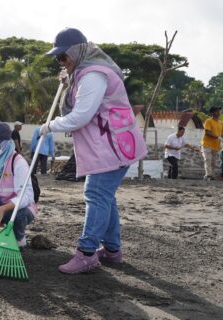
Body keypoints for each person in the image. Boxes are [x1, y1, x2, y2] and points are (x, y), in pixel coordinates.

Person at [43, 28, 147, 274]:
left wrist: (49, 126)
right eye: (58, 58)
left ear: (77, 52)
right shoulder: (82, 73)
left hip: (111, 149)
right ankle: (112, 251)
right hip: (109, 147)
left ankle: (87, 253)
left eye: (63, 56)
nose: (61, 62)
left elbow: (80, 116)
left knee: (96, 195)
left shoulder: (93, 75)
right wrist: (69, 81)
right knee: (104, 197)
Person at [201, 106, 223, 180]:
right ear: (212, 113)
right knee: (208, 159)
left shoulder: (220, 123)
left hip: (216, 145)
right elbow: (207, 132)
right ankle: (208, 175)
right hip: (207, 144)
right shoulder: (208, 121)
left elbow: (222, 134)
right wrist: (218, 137)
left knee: (213, 162)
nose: (218, 112)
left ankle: (211, 175)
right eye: (217, 111)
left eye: (219, 111)